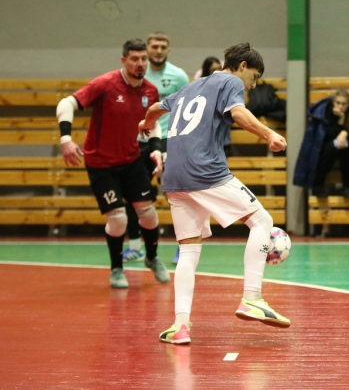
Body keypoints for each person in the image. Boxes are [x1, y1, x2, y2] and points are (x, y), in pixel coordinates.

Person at [138, 43, 289, 344]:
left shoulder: (190, 87)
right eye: (255, 76)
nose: (253, 85)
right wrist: (269, 133)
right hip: (205, 171)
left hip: (175, 177)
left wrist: (146, 123)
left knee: (188, 250)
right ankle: (252, 298)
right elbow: (238, 113)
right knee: (262, 221)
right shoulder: (231, 81)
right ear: (242, 66)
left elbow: (155, 108)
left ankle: (180, 326)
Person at [56, 39, 170, 288]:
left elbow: (153, 123)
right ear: (124, 60)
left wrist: (156, 149)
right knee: (118, 220)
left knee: (148, 214)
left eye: (143, 59)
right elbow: (66, 103)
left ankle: (152, 258)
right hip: (101, 164)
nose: (140, 64)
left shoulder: (150, 91)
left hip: (131, 160)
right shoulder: (105, 84)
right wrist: (66, 139)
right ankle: (117, 269)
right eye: (134, 59)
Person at [122, 32, 189, 266]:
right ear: (147, 50)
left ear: (168, 50)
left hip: (168, 141)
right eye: (154, 46)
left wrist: (181, 140)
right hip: (138, 141)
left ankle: (184, 249)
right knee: (133, 195)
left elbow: (187, 108)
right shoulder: (137, 73)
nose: (158, 51)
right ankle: (134, 247)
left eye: (163, 47)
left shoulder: (179, 76)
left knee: (176, 196)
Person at [295, 90, 349, 197]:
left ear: (348, 105)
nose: (340, 106)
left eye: (343, 104)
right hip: (325, 146)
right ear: (333, 102)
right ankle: (318, 184)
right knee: (332, 147)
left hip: (345, 145)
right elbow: (326, 135)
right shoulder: (325, 112)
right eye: (338, 103)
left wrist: (344, 129)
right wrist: (341, 124)